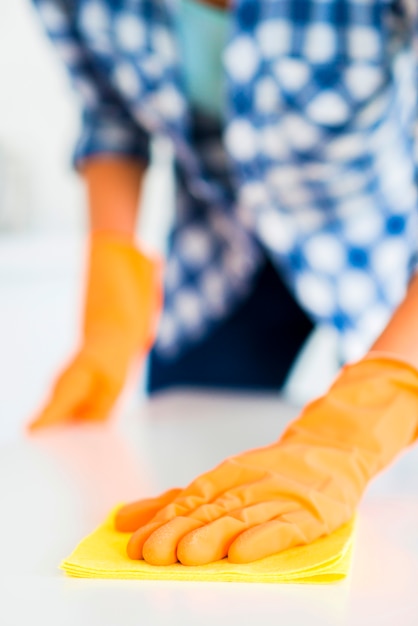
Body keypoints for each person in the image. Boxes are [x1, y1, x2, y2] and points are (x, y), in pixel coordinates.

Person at [27, 0, 418, 565]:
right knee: (182, 468)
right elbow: (110, 112)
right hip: (217, 258)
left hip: (380, 248)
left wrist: (380, 401)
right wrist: (112, 297)